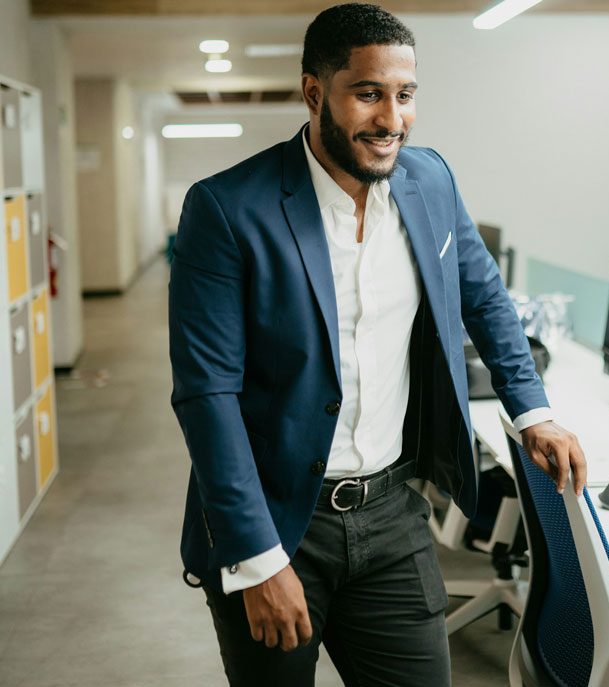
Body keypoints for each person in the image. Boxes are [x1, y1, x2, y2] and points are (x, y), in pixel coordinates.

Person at [168, 4, 587, 685]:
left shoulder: (430, 181)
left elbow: (483, 296)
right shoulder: (227, 208)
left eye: (404, 95)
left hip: (392, 515)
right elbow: (205, 392)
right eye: (368, 94)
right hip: (277, 524)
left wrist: (532, 409)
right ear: (314, 93)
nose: (391, 119)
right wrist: (256, 557)